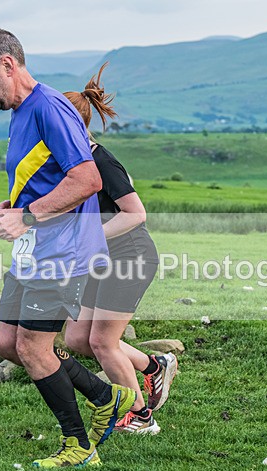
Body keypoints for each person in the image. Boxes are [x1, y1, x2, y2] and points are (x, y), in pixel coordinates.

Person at [0, 28, 136, 468]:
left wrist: (28, 216)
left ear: (7, 64)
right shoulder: (19, 112)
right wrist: (14, 205)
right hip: (32, 250)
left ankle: (78, 446)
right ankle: (105, 395)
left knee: (35, 349)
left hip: (61, 252)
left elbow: (87, 180)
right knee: (6, 344)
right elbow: (47, 177)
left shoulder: (50, 108)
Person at [61, 63, 177, 435]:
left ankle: (140, 416)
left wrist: (89, 238)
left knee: (102, 341)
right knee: (78, 339)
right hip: (100, 260)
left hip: (130, 256)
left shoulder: (101, 160)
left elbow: (136, 214)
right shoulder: (71, 161)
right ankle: (153, 366)